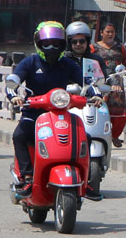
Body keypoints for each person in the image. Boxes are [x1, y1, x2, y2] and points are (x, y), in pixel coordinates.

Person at [7, 21, 101, 201]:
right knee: (19, 135)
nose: (51, 47)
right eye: (47, 43)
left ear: (63, 44)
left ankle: (86, 180)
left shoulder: (68, 64)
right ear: (38, 43)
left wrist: (95, 94)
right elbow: (14, 80)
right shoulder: (30, 62)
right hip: (34, 114)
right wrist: (14, 95)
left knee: (85, 137)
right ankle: (26, 178)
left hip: (61, 114)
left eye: (56, 43)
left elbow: (87, 82)